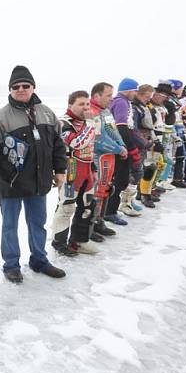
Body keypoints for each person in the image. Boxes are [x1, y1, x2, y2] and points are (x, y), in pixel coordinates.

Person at [0, 65, 67, 283]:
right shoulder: (1, 118)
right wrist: (7, 174)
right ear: (10, 89)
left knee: (37, 223)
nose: (21, 89)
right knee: (9, 226)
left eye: (26, 85)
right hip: (11, 184)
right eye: (16, 86)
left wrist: (60, 169)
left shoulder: (46, 113)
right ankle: (11, 265)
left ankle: (39, 260)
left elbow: (58, 144)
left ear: (33, 87)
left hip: (39, 182)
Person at [52, 91, 99, 256]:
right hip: (70, 171)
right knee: (67, 207)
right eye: (81, 104)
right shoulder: (63, 122)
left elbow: (90, 147)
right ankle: (59, 242)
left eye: (87, 104)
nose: (85, 107)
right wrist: (91, 123)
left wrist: (93, 169)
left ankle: (79, 241)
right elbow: (77, 143)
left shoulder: (86, 123)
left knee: (88, 206)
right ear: (70, 105)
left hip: (86, 170)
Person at [88, 82, 128, 231]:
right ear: (96, 96)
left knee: (105, 188)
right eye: (108, 95)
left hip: (109, 157)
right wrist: (119, 149)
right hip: (98, 157)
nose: (112, 98)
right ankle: (90, 226)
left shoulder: (106, 111)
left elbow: (113, 130)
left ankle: (99, 221)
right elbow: (98, 139)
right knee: (97, 190)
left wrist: (122, 145)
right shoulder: (92, 112)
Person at [107, 78, 143, 218]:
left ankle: (111, 210)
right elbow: (122, 127)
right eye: (134, 91)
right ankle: (110, 211)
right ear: (128, 90)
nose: (135, 94)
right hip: (120, 146)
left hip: (118, 144)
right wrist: (130, 148)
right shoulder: (121, 102)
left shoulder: (122, 101)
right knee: (120, 180)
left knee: (119, 179)